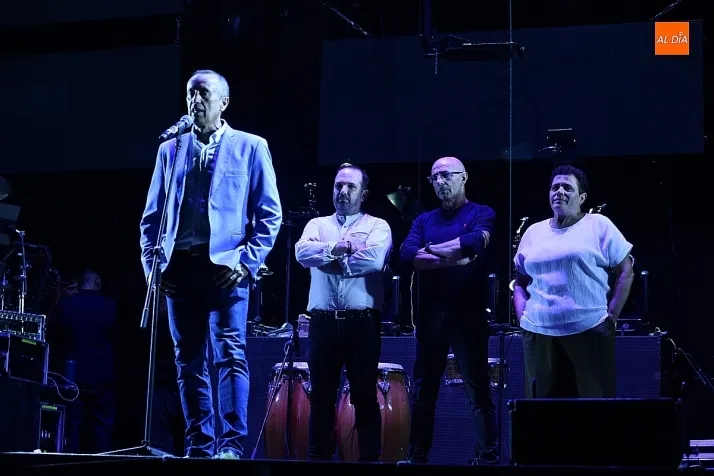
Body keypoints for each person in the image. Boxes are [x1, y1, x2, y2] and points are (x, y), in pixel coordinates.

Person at [139, 69, 282, 459]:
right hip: (179, 267)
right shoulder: (170, 149)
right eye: (191, 93)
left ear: (224, 102)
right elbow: (151, 219)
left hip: (226, 268)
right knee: (187, 360)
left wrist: (247, 263)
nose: (195, 100)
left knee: (229, 354)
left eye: (203, 93)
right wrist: (154, 270)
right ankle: (200, 446)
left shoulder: (251, 146)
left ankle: (231, 445)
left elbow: (270, 214)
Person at [399, 156, 498, 465]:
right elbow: (407, 253)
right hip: (430, 318)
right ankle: (417, 458)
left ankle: (488, 458)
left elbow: (475, 242)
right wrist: (453, 257)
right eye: (434, 177)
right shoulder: (423, 220)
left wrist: (430, 251)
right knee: (423, 392)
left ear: (463, 177)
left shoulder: (481, 213)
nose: (440, 182)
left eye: (445, 175)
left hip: (469, 317)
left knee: (478, 391)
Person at [294, 163, 392, 462]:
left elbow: (374, 260)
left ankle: (369, 462)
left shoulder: (378, 226)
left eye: (350, 186)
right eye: (339, 185)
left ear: (364, 194)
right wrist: (343, 247)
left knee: (364, 396)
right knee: (321, 398)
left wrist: (327, 257)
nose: (343, 191)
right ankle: (318, 462)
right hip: (323, 323)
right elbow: (301, 253)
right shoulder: (316, 224)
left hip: (361, 323)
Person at [513, 164, 634, 398]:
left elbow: (626, 271)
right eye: (555, 187)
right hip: (538, 332)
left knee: (593, 406)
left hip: (589, 329)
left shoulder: (598, 225)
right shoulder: (533, 232)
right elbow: (519, 282)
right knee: (540, 410)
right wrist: (522, 317)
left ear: (582, 198)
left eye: (567, 188)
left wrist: (612, 316)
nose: (559, 192)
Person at [52, 268, 117, 454]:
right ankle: (103, 461)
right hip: (103, 372)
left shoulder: (67, 304)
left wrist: (63, 295)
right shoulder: (110, 306)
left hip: (74, 372)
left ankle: (70, 461)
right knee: (103, 425)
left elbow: (56, 332)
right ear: (96, 281)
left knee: (72, 423)